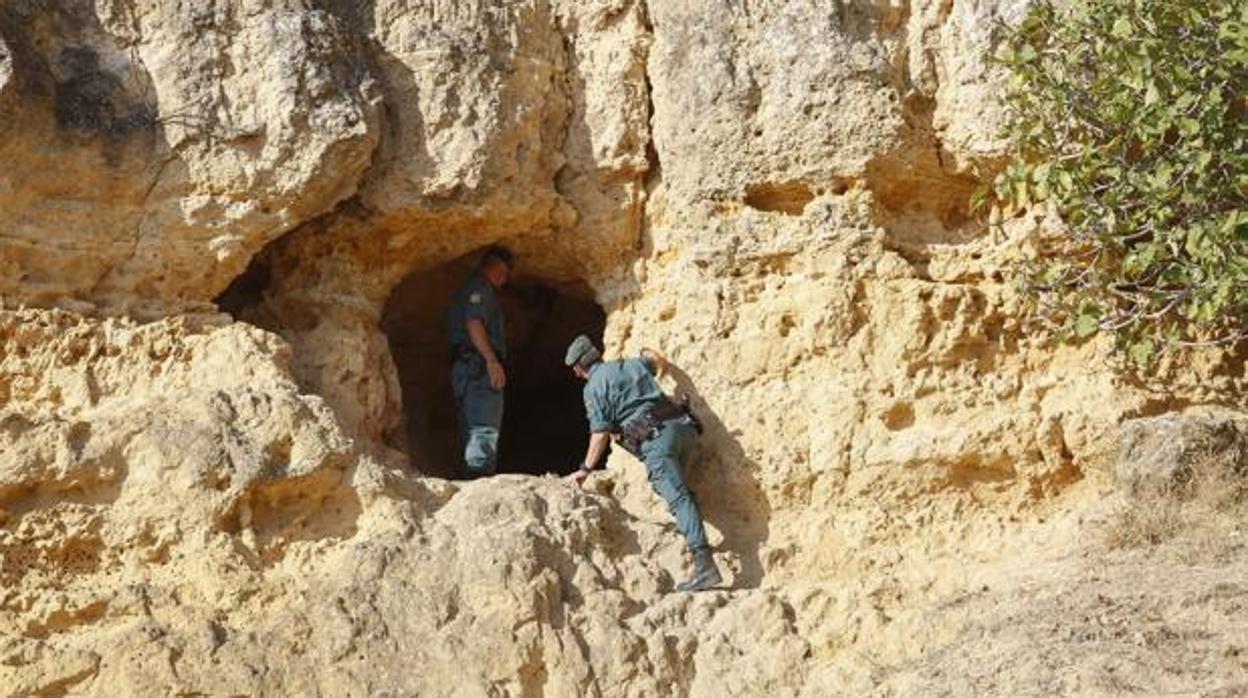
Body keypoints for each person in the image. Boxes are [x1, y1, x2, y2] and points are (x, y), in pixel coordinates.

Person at [564, 335, 722, 592]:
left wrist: (585, 469)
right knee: (680, 491)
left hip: (657, 443)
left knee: (678, 497)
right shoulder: (631, 364)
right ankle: (695, 531)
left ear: (579, 368)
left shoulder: (593, 388)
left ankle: (704, 565)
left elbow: (600, 433)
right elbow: (658, 360)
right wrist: (645, 349)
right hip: (684, 430)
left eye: (575, 370)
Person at [446, 245, 514, 478]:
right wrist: (491, 361)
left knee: (470, 428)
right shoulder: (481, 288)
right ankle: (480, 485)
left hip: (463, 366)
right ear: (497, 271)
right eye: (504, 273)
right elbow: (474, 322)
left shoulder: (463, 290)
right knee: (483, 429)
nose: (504, 280)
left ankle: (470, 479)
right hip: (478, 367)